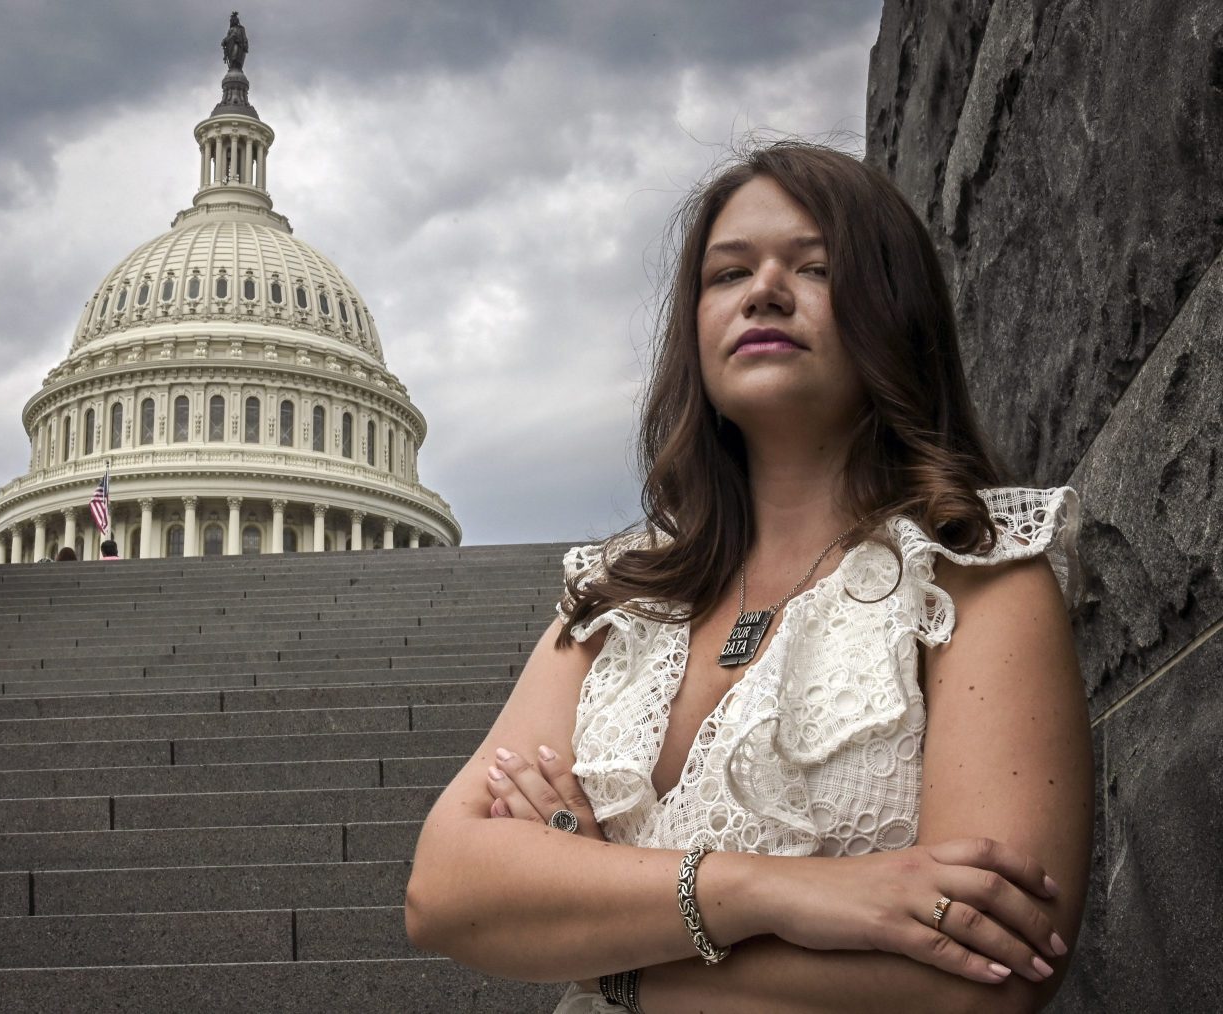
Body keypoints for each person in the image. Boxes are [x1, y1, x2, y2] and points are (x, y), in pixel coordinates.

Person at [405, 142, 1092, 1013]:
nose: (765, 290)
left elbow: (982, 981)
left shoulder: (977, 579)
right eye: (729, 274)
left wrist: (600, 944)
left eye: (815, 267)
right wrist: (783, 893)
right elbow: (444, 891)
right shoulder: (622, 597)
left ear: (895, 310)